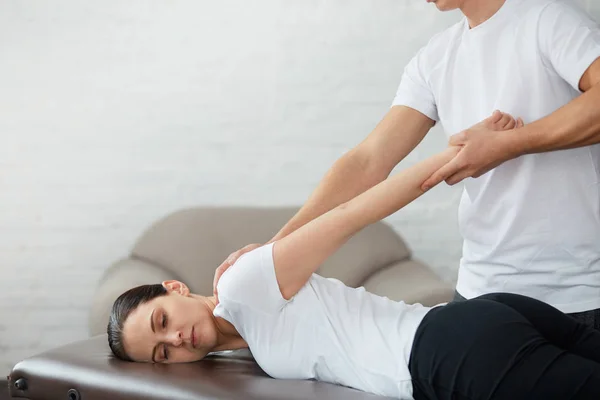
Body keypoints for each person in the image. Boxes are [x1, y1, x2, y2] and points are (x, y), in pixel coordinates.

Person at [107, 112, 600, 400]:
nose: (175, 339)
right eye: (162, 353)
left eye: (161, 322)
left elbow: (353, 212)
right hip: (474, 321)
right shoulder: (241, 346)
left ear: (174, 289)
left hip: (451, 353)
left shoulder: (241, 287)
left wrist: (468, 150)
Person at [213, 0, 600, 328]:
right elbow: (368, 161)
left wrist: (509, 144)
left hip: (579, 295)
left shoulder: (549, 19)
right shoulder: (435, 58)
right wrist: (273, 250)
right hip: (481, 292)